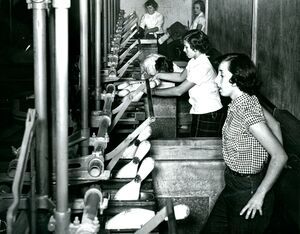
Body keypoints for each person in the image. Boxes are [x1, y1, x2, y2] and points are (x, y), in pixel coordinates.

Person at [201, 53, 288, 234]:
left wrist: (260, 193)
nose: (217, 81)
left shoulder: (246, 112)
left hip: (248, 189)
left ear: (235, 80)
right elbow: (275, 124)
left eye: (222, 75)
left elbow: (280, 156)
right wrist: (269, 161)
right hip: (233, 183)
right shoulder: (245, 100)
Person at [153, 30, 224, 137]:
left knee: (201, 147)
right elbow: (181, 76)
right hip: (200, 109)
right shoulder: (195, 60)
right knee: (196, 142)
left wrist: (153, 91)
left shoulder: (202, 66)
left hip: (209, 112)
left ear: (195, 48)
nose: (183, 50)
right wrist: (158, 75)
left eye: (186, 47)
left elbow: (179, 91)